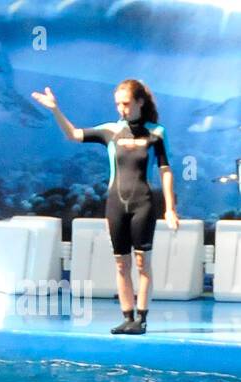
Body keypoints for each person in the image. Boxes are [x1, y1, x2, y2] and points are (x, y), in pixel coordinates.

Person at [31, 80, 179, 335]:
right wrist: (55, 110)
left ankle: (141, 319)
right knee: (121, 264)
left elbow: (165, 171)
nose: (121, 109)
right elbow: (74, 135)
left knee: (143, 263)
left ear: (139, 102)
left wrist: (170, 208)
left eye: (126, 103)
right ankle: (126, 317)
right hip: (116, 204)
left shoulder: (156, 133)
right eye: (118, 104)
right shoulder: (111, 131)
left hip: (143, 203)